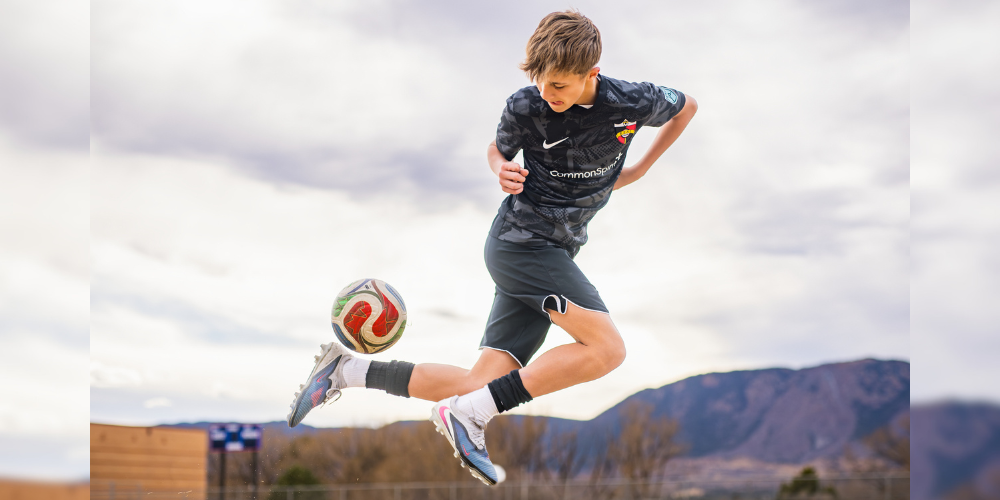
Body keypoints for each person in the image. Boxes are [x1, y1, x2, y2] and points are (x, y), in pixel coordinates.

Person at [286, 9, 697, 486]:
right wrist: (500, 168)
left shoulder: (632, 100)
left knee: (476, 383)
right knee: (607, 350)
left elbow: (687, 106)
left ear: (592, 73)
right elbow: (496, 149)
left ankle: (346, 371)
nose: (548, 93)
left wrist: (641, 168)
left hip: (556, 252)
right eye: (540, 81)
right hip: (521, 245)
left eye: (559, 85)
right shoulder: (526, 106)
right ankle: (470, 415)